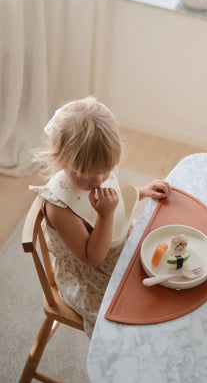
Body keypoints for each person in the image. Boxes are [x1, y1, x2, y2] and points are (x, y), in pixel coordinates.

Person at [30, 96, 171, 337]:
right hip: (91, 277)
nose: (98, 181)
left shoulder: (97, 170)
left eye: (105, 171)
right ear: (60, 159)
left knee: (164, 280)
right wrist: (105, 216)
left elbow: (115, 196)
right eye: (87, 175)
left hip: (119, 243)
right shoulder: (59, 207)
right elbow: (92, 257)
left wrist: (143, 191)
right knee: (129, 324)